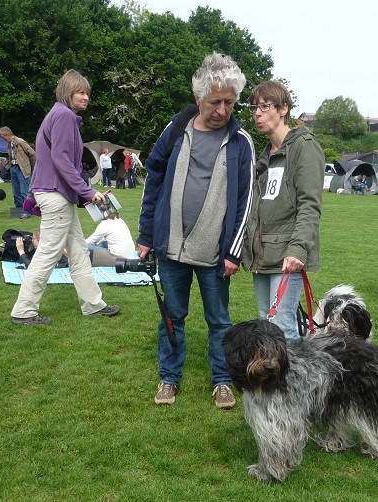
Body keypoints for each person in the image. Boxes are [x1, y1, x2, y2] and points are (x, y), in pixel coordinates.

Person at [136, 52, 254, 409]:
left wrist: (233, 251)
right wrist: (145, 235)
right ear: (198, 97)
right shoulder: (174, 131)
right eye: (215, 101)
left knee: (219, 321)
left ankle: (222, 380)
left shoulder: (240, 142)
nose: (222, 110)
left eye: (229, 102)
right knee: (172, 316)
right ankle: (169, 378)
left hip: (215, 253)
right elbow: (152, 181)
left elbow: (246, 201)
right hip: (169, 246)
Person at [10, 69, 121, 325]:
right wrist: (86, 191)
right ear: (67, 92)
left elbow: (55, 162)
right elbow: (61, 160)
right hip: (55, 196)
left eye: (87, 93)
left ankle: (93, 304)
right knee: (48, 252)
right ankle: (24, 310)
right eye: (80, 92)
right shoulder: (63, 115)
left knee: (79, 250)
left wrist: (87, 194)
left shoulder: (60, 115)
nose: (86, 97)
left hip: (56, 195)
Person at [241, 80, 324, 341]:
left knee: (282, 325)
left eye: (265, 107)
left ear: (284, 109)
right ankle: (277, 382)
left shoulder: (304, 146)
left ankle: (297, 381)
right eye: (254, 107)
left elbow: (310, 204)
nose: (257, 113)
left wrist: (298, 248)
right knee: (268, 320)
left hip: (288, 251)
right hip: (263, 251)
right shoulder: (265, 154)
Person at [0, 126, 37, 214]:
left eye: (2, 136)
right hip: (13, 168)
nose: (2, 138)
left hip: (22, 169)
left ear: (7, 134)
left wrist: (32, 167)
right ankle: (18, 211)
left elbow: (32, 154)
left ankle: (27, 211)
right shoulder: (9, 144)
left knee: (25, 192)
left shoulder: (20, 142)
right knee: (16, 192)